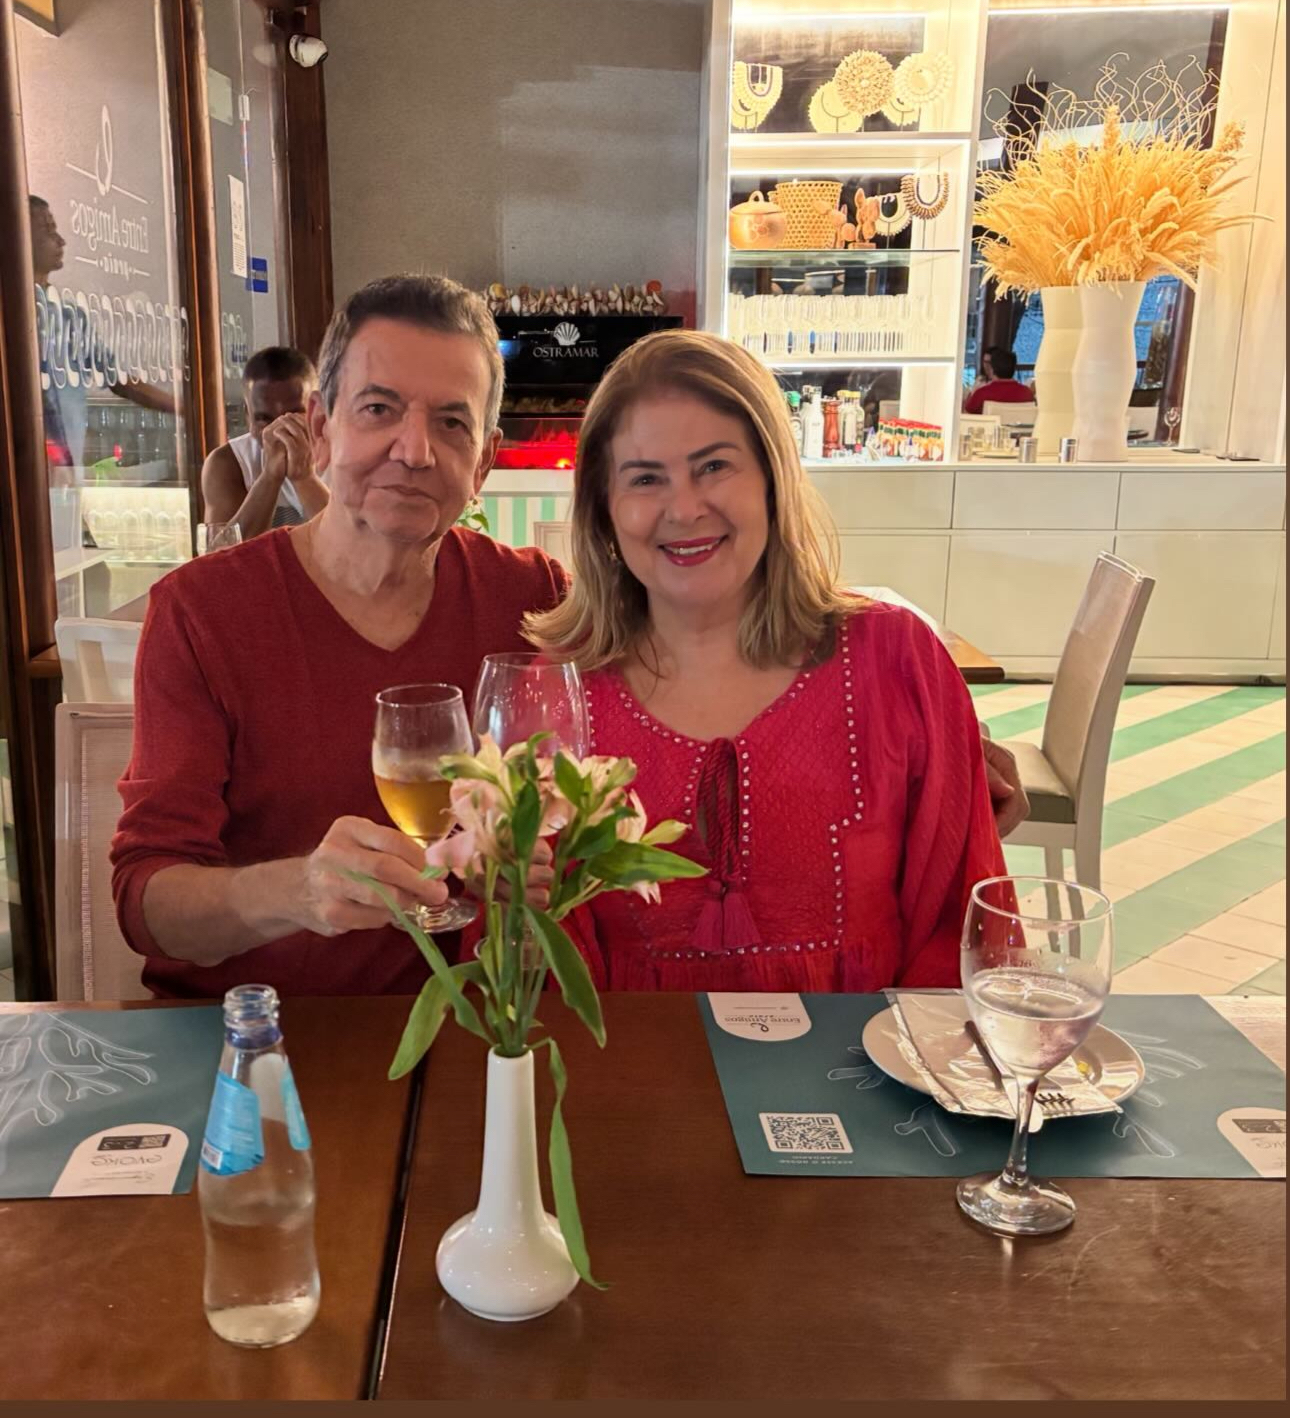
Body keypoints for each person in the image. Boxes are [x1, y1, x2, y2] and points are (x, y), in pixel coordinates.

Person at [111, 274, 568, 998]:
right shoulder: (203, 612)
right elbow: (148, 905)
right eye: (379, 409)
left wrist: (540, 866)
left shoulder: (534, 598)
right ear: (321, 429)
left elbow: (592, 797)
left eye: (452, 423)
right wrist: (298, 891)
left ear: (483, 461)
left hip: (473, 1029)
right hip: (255, 1035)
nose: (414, 451)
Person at [524, 330, 1008, 992]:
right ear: (604, 511)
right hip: (633, 1053)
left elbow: (967, 930)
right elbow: (535, 969)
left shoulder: (897, 659)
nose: (684, 508)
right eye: (645, 478)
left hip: (870, 1050)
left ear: (773, 482)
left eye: (714, 467)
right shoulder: (558, 692)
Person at [30, 195, 176, 478]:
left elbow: (119, 379)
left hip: (65, 469)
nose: (61, 241)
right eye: (48, 230)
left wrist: (184, 409)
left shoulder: (68, 315)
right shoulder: (13, 315)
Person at [200, 345, 330, 537]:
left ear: (316, 410)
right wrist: (269, 477)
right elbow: (222, 552)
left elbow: (359, 544)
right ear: (248, 416)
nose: (279, 430)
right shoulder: (229, 463)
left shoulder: (346, 453)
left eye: (293, 416)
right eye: (264, 419)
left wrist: (305, 478)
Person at [963, 347, 1033, 415]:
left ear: (992, 368)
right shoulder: (1027, 393)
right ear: (1014, 369)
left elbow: (966, 414)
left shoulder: (982, 393)